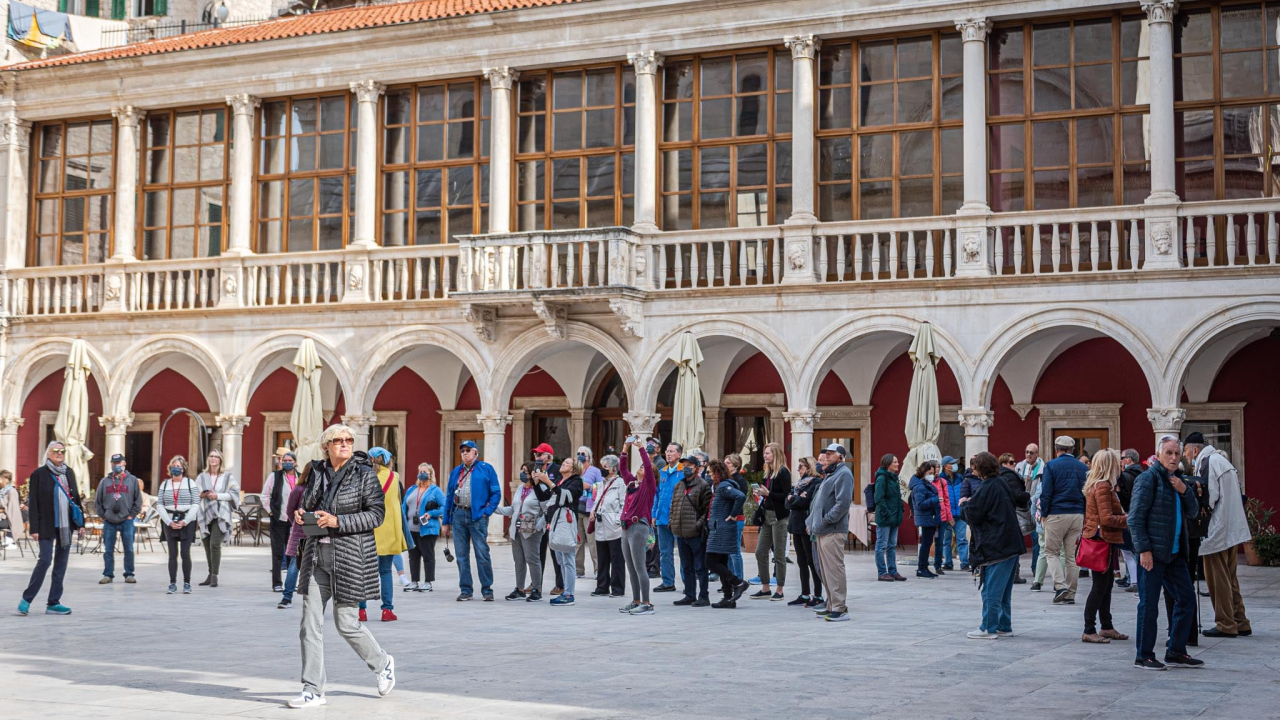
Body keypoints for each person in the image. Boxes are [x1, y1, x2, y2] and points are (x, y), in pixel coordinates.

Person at [289, 424, 395, 708]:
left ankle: (383, 663)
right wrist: (303, 514)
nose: (345, 444)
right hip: (316, 556)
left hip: (349, 557)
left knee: (346, 624)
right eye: (339, 440)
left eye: (349, 439)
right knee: (309, 624)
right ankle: (313, 690)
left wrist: (338, 521)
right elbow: (310, 504)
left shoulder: (364, 474)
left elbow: (376, 515)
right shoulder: (317, 471)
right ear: (327, 446)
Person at [1129, 436, 1203, 671]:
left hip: (1175, 555)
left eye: (1177, 454)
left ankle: (1176, 651)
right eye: (1169, 453)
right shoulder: (1148, 479)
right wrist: (1144, 550)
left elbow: (1194, 512)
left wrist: (1185, 490)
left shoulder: (1178, 480)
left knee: (1187, 599)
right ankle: (1144, 656)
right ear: (1159, 454)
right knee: (1149, 605)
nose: (1173, 457)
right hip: (1153, 554)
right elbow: (1135, 519)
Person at [1183, 432, 1253, 638]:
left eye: (1186, 452)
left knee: (1217, 579)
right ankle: (1240, 621)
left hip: (1218, 529)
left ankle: (1225, 624)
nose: (1185, 456)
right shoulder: (1221, 460)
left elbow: (1210, 497)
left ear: (1195, 449)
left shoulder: (1208, 462)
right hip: (1231, 527)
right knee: (1230, 577)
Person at [961, 452, 1025, 639]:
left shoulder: (987, 486)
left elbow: (974, 514)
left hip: (997, 545)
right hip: (1010, 543)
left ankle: (988, 628)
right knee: (1003, 591)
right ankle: (1004, 625)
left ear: (980, 469)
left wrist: (964, 505)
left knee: (991, 590)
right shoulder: (1001, 482)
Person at [17, 441, 84, 616]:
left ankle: (53, 603)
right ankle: (26, 599)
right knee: (45, 560)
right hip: (46, 524)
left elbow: (75, 498)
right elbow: (34, 502)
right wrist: (34, 528)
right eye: (55, 450)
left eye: (62, 451)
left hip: (65, 525)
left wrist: (81, 524)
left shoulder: (69, 472)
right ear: (48, 453)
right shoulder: (39, 474)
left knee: (61, 564)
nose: (59, 453)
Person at [443, 439, 501, 602]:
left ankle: (487, 589)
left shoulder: (486, 469)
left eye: (468, 450)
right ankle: (466, 590)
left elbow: (496, 493)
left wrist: (486, 512)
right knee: (461, 555)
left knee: (482, 553)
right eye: (462, 451)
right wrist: (446, 521)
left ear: (476, 452)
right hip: (458, 515)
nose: (465, 453)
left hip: (477, 516)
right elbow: (449, 496)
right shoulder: (456, 471)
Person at [1081, 449, 1129, 644]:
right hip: (1102, 541)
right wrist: (1127, 519)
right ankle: (1089, 629)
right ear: (1110, 465)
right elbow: (1106, 518)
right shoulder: (1103, 486)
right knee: (1100, 586)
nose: (1120, 465)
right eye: (1117, 462)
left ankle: (1106, 626)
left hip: (1103, 541)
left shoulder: (1100, 485)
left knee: (1106, 585)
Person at [359, 447, 408, 622]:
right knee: (386, 571)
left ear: (371, 459)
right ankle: (387, 610)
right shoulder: (394, 476)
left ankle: (361, 610)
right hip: (388, 530)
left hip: (368, 529)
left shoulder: (365, 476)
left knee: (364, 571)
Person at [1039, 435, 1088, 605]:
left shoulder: (1051, 465)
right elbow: (1086, 493)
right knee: (1072, 557)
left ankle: (1060, 586)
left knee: (1051, 552)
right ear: (1072, 449)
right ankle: (1071, 594)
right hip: (1077, 514)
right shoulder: (1083, 467)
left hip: (1056, 513)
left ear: (1056, 449)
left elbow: (1046, 492)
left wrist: (1044, 513)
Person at [809, 444, 854, 621]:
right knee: (826, 571)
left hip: (832, 530)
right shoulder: (831, 473)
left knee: (834, 570)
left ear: (841, 456)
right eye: (825, 453)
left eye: (830, 454)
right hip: (822, 530)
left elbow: (842, 504)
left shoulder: (844, 474)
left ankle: (840, 609)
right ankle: (831, 605)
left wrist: (826, 520)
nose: (826, 457)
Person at [496, 463, 547, 602]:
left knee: (532, 559)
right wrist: (494, 509)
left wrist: (538, 526)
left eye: (525, 471)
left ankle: (537, 589)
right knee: (518, 561)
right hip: (516, 529)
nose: (522, 474)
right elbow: (513, 509)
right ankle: (519, 589)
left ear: (533, 473)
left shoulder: (541, 489)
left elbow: (547, 510)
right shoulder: (520, 488)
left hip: (531, 530)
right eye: (522, 470)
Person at [618, 437, 657, 614]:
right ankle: (636, 600)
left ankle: (647, 603)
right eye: (639, 466)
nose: (641, 467)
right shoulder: (632, 483)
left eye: (644, 467)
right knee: (631, 567)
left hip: (639, 526)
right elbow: (622, 469)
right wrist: (625, 449)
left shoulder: (649, 485)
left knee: (640, 567)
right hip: (626, 527)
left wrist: (641, 448)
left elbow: (648, 467)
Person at [539, 457, 584, 607]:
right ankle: (565, 591)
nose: (563, 463)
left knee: (568, 559)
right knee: (561, 560)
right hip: (555, 522)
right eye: (563, 462)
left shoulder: (576, 481)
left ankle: (569, 594)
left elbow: (566, 497)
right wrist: (536, 482)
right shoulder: (559, 480)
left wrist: (549, 482)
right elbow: (543, 497)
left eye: (567, 463)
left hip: (566, 522)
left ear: (574, 468)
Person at [669, 453, 713, 606]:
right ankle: (689, 594)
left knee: (700, 566)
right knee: (686, 566)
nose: (685, 468)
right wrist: (672, 523)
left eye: (689, 466)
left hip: (695, 533)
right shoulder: (679, 485)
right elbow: (673, 506)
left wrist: (697, 525)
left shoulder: (703, 485)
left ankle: (704, 596)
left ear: (697, 468)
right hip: (680, 533)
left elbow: (707, 510)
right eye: (684, 466)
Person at [749, 442, 791, 600]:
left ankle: (779, 589)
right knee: (760, 552)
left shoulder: (783, 472)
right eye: (764, 453)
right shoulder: (768, 472)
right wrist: (761, 494)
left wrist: (768, 494)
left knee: (779, 554)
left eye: (768, 453)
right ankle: (765, 587)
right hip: (766, 515)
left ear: (776, 454)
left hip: (779, 517)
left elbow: (787, 496)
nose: (765, 455)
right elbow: (768, 494)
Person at [706, 459, 750, 609]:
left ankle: (738, 583)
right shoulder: (721, 486)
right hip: (720, 528)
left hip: (722, 530)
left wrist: (733, 514)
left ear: (717, 473)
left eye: (711, 472)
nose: (709, 475)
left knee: (710, 561)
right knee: (722, 562)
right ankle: (728, 598)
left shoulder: (724, 486)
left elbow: (740, 496)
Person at [93, 453, 141, 585]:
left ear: (124, 463)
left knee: (129, 549)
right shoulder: (104, 482)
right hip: (109, 521)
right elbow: (97, 502)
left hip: (127, 520)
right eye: (114, 463)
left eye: (119, 463)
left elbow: (138, 500)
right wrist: (103, 515)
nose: (116, 465)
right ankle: (108, 574)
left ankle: (129, 574)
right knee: (108, 550)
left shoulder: (132, 480)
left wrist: (132, 515)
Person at [196, 449, 240, 588]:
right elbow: (194, 493)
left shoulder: (227, 476)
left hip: (221, 514)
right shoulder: (202, 476)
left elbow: (235, 494)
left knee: (215, 544)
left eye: (216, 456)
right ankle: (210, 574)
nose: (213, 459)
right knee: (207, 544)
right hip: (205, 512)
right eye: (211, 456)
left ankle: (214, 575)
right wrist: (202, 495)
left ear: (220, 460)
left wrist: (218, 496)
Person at [157, 455, 200, 595]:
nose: (176, 468)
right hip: (169, 522)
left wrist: (185, 521)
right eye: (173, 466)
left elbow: (196, 503)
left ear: (183, 469)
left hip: (187, 522)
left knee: (185, 553)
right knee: (172, 554)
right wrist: (168, 521)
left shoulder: (190, 483)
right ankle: (172, 583)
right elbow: (160, 504)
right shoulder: (164, 484)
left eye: (178, 467)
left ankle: (187, 583)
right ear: (170, 468)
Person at [786, 457, 825, 605]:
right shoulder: (799, 484)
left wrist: (794, 498)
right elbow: (787, 502)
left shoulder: (815, 482)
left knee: (811, 560)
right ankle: (805, 594)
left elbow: (806, 502)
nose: (798, 470)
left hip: (807, 525)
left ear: (809, 468)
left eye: (801, 467)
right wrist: (794, 498)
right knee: (801, 561)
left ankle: (818, 595)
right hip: (795, 524)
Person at [263, 449, 301, 592]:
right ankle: (277, 583)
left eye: (290, 461)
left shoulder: (300, 477)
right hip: (278, 519)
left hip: (295, 521)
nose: (286, 463)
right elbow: (265, 495)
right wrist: (271, 511)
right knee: (278, 553)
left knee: (293, 554)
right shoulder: (275, 476)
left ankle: (291, 583)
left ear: (295, 463)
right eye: (284, 461)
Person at [589, 455, 627, 598]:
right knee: (602, 558)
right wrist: (593, 511)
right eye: (602, 466)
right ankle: (602, 586)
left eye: (605, 467)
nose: (602, 469)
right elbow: (597, 501)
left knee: (617, 559)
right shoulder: (601, 484)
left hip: (614, 526)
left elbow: (624, 504)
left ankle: (617, 588)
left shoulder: (621, 483)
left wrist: (618, 520)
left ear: (614, 469)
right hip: (600, 524)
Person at [403, 463, 444, 592]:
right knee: (413, 556)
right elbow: (404, 506)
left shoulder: (435, 490)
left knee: (428, 555)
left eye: (425, 471)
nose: (422, 474)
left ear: (430, 474)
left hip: (427, 529)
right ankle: (414, 581)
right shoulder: (412, 489)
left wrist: (431, 513)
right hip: (411, 529)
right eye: (420, 471)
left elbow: (445, 507)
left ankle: (428, 582)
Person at [530, 443, 565, 593]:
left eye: (540, 454)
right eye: (535, 454)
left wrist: (545, 480)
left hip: (552, 514)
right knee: (538, 551)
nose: (537, 457)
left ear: (549, 457)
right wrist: (534, 481)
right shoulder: (535, 470)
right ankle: (536, 583)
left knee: (555, 552)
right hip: (539, 515)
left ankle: (560, 584)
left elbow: (557, 490)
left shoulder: (557, 470)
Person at [652, 442, 685, 593]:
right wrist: (654, 514)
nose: (669, 454)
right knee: (665, 551)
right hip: (662, 517)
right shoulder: (662, 472)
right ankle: (667, 582)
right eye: (667, 451)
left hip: (679, 518)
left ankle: (688, 583)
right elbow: (656, 495)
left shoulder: (683, 472)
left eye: (672, 451)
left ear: (679, 454)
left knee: (684, 552)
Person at [279, 463, 312, 609]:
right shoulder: (299, 490)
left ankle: (309, 598)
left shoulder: (321, 490)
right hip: (300, 534)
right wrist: (296, 525)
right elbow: (290, 510)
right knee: (294, 565)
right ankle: (287, 597)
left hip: (316, 533)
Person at [994, 453, 1028, 584]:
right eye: (1012, 462)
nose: (1014, 464)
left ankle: (1009, 574)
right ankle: (1014, 574)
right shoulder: (1010, 476)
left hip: (1001, 515)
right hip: (1013, 514)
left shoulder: (998, 476)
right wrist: (1027, 495)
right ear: (1004, 464)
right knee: (1014, 545)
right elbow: (1017, 495)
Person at [872, 454, 905, 583]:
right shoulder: (882, 478)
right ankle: (882, 572)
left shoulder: (894, 478)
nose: (897, 464)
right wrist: (887, 513)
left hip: (894, 517)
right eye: (895, 462)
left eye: (897, 461)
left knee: (892, 545)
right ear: (887, 464)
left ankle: (893, 571)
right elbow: (879, 498)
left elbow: (897, 497)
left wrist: (900, 510)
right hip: (885, 518)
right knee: (881, 545)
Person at [1116, 449, 1144, 591]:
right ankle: (1134, 579)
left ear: (1128, 459)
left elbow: (1124, 497)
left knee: (1128, 550)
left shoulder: (1126, 476)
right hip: (1140, 515)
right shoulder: (1143, 474)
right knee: (1135, 549)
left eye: (1122, 458)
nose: (1121, 461)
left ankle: (1133, 580)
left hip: (1128, 515)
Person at [1015, 443, 1044, 581]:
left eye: (1031, 452)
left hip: (1035, 507)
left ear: (1037, 454)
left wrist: (1033, 500)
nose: (1028, 455)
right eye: (1026, 452)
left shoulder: (1043, 468)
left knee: (1036, 538)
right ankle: (1015, 570)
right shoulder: (1019, 467)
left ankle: (1035, 568)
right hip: (1020, 507)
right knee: (1016, 538)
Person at [909, 461, 942, 579]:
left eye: (933, 473)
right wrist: (935, 500)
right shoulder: (920, 486)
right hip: (926, 518)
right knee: (925, 544)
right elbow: (920, 504)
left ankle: (924, 567)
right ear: (923, 472)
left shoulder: (925, 484)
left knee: (927, 544)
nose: (932, 475)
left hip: (930, 518)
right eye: (930, 473)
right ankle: (921, 568)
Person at [722, 453, 749, 579]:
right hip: (725, 517)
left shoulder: (740, 480)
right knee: (727, 551)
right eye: (725, 463)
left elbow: (741, 498)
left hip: (736, 518)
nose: (725, 465)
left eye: (728, 463)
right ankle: (730, 579)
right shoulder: (725, 479)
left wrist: (733, 514)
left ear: (736, 466)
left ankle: (738, 579)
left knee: (734, 551)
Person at [576, 446, 601, 579]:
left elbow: (601, 487)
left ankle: (598, 569)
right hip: (576, 508)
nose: (580, 455)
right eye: (578, 453)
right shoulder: (575, 470)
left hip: (589, 509)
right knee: (578, 541)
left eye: (583, 454)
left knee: (592, 542)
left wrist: (590, 487)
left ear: (589, 457)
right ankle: (578, 570)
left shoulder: (595, 471)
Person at [940, 456, 966, 571]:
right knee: (946, 540)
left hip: (960, 514)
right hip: (947, 515)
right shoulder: (940, 479)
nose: (955, 465)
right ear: (946, 466)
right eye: (952, 463)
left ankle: (965, 563)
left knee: (962, 539)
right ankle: (948, 563)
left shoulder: (960, 477)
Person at [931, 462, 952, 575]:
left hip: (942, 516)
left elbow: (946, 499)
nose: (937, 470)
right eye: (935, 468)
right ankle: (923, 565)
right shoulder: (925, 481)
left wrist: (949, 516)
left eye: (938, 467)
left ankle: (938, 565)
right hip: (929, 516)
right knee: (926, 541)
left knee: (939, 542)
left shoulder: (942, 482)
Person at [0, 469, 27, 547]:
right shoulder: (2, 491)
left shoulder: (12, 491)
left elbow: (13, 510)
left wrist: (2, 510)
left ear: (5, 480)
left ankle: (10, 541)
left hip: (9, 520)